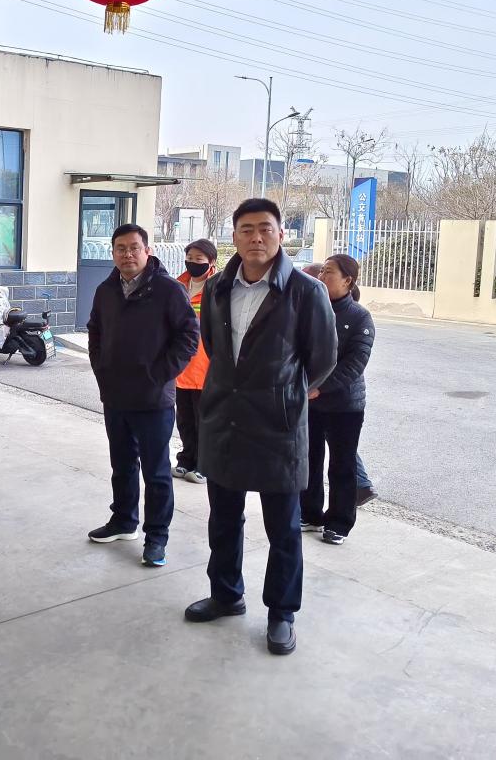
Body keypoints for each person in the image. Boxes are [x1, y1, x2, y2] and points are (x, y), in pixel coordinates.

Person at [184, 198, 337, 656]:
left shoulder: (306, 291)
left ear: (281, 235)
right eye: (246, 229)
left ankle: (281, 613)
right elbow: (215, 347)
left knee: (283, 529)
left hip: (278, 427)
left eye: (265, 229)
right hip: (224, 421)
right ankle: (226, 594)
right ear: (234, 236)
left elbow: (323, 358)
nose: (256, 237)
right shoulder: (218, 288)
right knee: (223, 519)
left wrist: (284, 391)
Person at [86, 223, 199, 568]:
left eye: (134, 248)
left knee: (156, 471)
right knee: (121, 464)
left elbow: (188, 337)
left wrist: (159, 374)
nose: (127, 254)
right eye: (120, 248)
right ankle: (123, 521)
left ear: (147, 251)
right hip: (115, 396)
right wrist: (101, 369)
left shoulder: (168, 290)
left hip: (153, 399)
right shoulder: (106, 290)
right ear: (113, 253)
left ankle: (157, 537)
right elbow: (95, 332)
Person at [301, 254, 376, 545]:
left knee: (342, 465)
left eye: (329, 272)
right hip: (311, 401)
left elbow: (355, 363)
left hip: (345, 405)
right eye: (321, 271)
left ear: (348, 281)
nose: (321, 277)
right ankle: (309, 514)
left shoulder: (359, 317)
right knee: (309, 459)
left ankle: (339, 523)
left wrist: (321, 387)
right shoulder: (310, 309)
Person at [173, 238, 220, 485]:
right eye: (189, 258)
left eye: (199, 259)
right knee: (184, 419)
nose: (193, 263)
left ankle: (204, 465)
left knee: (205, 420)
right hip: (181, 365)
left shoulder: (218, 288)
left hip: (206, 366)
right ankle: (186, 459)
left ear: (211, 262)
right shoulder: (178, 285)